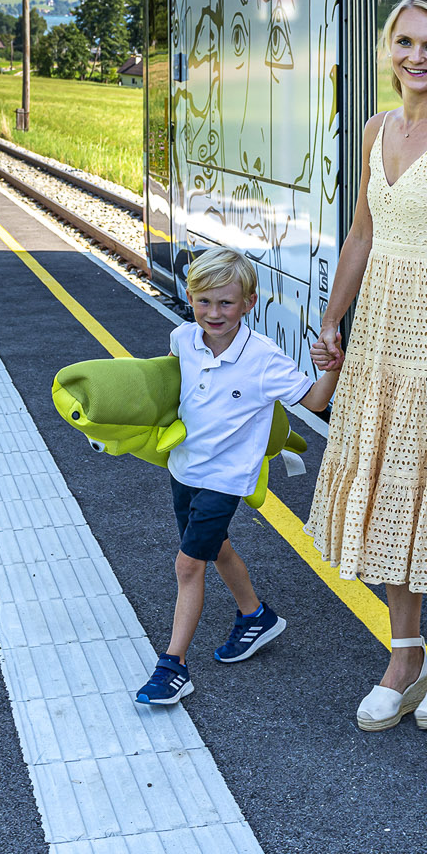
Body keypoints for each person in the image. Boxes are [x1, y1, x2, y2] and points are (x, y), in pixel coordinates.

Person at [307, 0, 427, 732]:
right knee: (389, 494)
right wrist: (332, 318)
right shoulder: (373, 129)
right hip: (379, 332)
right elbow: (359, 237)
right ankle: (406, 653)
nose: (416, 57)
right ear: (389, 49)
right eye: (404, 42)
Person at [135, 247, 340, 708]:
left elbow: (313, 401)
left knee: (189, 564)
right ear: (190, 298)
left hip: (226, 478)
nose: (214, 313)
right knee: (215, 544)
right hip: (184, 467)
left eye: (226, 303)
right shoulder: (181, 339)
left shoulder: (263, 359)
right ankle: (256, 616)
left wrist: (331, 369)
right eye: (204, 302)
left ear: (248, 304)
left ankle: (173, 667)